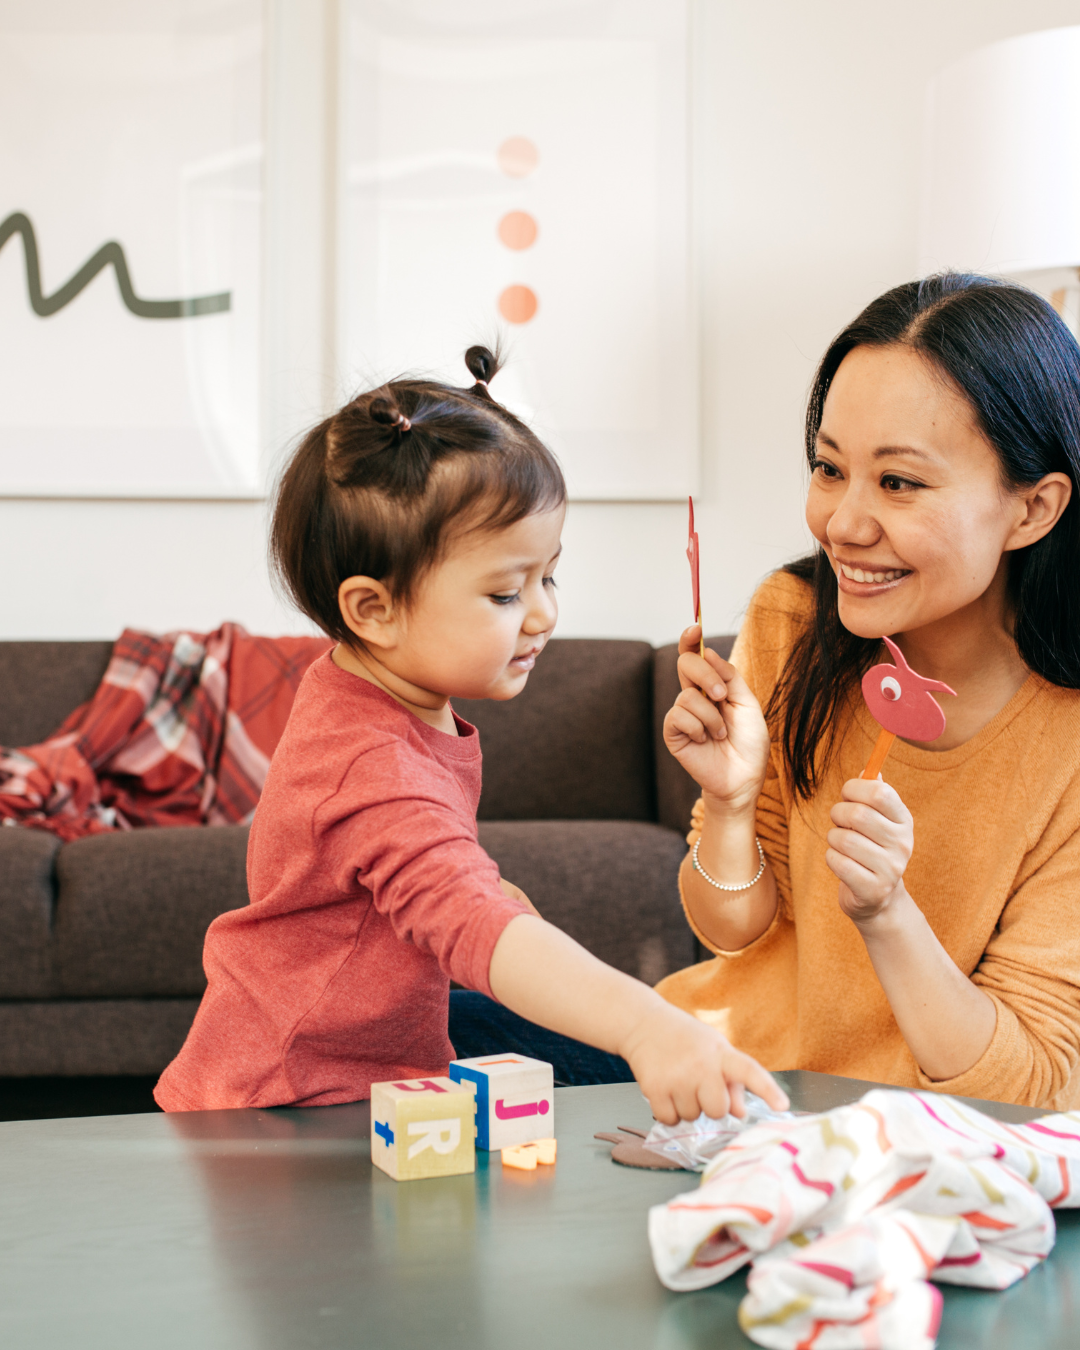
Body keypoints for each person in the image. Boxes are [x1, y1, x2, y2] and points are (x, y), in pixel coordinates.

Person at [154, 346, 787, 1124]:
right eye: (504, 591)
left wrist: (482, 893)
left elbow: (401, 874)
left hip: (365, 1059)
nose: (545, 614)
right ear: (373, 610)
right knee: (615, 1050)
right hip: (290, 1103)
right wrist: (646, 1025)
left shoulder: (375, 691)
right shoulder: (371, 760)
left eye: (547, 576)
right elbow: (466, 915)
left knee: (566, 1043)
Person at [658, 273, 1080, 1110]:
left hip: (917, 1145)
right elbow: (731, 932)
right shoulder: (795, 620)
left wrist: (886, 912)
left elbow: (1033, 1084)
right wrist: (734, 804)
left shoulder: (1065, 739)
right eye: (829, 468)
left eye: (899, 483)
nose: (842, 524)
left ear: (1033, 508)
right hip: (723, 1090)